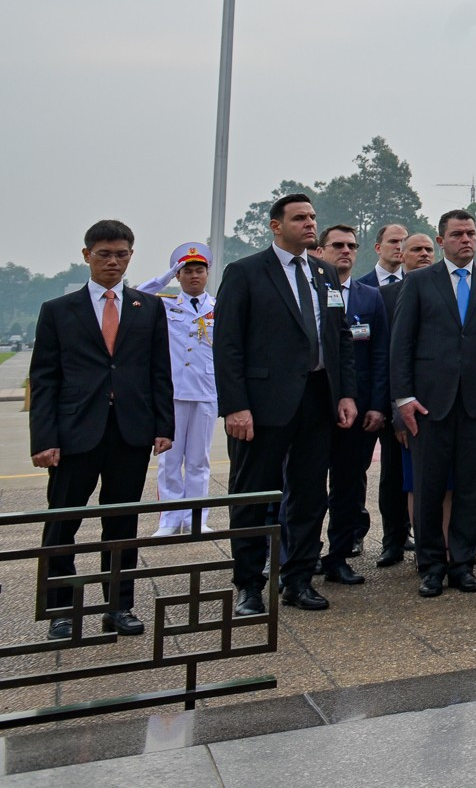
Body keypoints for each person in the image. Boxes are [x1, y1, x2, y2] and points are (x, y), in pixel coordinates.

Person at [214, 194, 359, 616]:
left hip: (317, 400)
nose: (310, 223)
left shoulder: (324, 273)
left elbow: (340, 339)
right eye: (300, 218)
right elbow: (227, 346)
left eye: (312, 217)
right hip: (262, 405)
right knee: (253, 495)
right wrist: (235, 405)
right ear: (276, 226)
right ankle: (248, 585)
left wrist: (345, 392)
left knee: (310, 494)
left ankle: (297, 579)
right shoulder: (245, 273)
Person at [29, 219, 173, 639]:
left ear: (131, 255)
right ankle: (61, 610)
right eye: (105, 253)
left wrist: (165, 425)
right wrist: (45, 439)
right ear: (86, 255)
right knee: (63, 522)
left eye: (122, 254)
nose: (113, 261)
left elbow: (159, 371)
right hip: (75, 434)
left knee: (121, 522)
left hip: (130, 432)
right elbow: (45, 379)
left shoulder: (148, 307)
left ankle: (119, 606)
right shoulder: (59, 310)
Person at [389, 209, 476, 597]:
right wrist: (403, 398)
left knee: (470, 487)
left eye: (471, 234)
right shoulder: (420, 282)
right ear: (441, 241)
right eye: (458, 234)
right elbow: (401, 344)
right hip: (429, 404)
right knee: (428, 487)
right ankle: (431, 565)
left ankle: (463, 563)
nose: (466, 240)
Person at [305, 226, 390, 586]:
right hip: (314, 405)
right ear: (320, 251)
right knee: (305, 486)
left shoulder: (370, 297)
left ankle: (338, 555)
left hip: (358, 409)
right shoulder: (308, 293)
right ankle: (303, 555)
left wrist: (376, 405)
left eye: (351, 246)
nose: (345, 251)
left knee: (348, 485)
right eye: (337, 245)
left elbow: (380, 355)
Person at [137, 241, 217, 535]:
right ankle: (169, 520)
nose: (194, 276)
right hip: (172, 393)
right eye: (187, 271)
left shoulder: (217, 308)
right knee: (170, 461)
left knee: (199, 460)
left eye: (199, 270)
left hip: (207, 391)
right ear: (178, 276)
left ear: (207, 274)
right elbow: (134, 296)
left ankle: (196, 519)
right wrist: (164, 276)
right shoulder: (165, 303)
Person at [374, 232, 431, 569]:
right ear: (400, 254)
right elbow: (389, 357)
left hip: (436, 404)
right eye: (416, 249)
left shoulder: (444, 290)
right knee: (395, 477)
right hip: (399, 406)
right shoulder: (384, 294)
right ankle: (393, 540)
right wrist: (396, 411)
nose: (423, 254)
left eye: (428, 249)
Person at [355, 223, 407, 289]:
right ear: (378, 248)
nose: (399, 247)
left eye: (403, 242)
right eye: (393, 241)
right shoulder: (359, 287)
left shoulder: (414, 285)